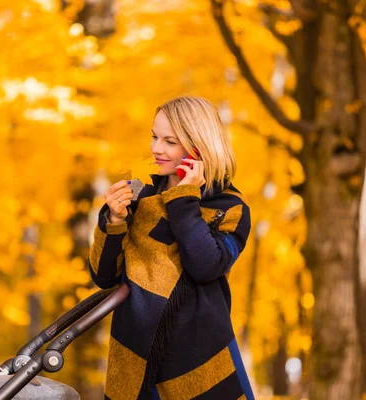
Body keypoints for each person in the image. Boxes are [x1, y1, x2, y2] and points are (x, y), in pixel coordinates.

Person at [88, 96, 254, 400]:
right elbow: (104, 276)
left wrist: (183, 197)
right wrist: (112, 218)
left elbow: (205, 265)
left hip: (200, 360)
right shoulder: (138, 189)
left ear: (198, 148)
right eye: (154, 136)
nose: (155, 148)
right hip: (133, 356)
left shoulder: (229, 208)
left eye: (169, 141)